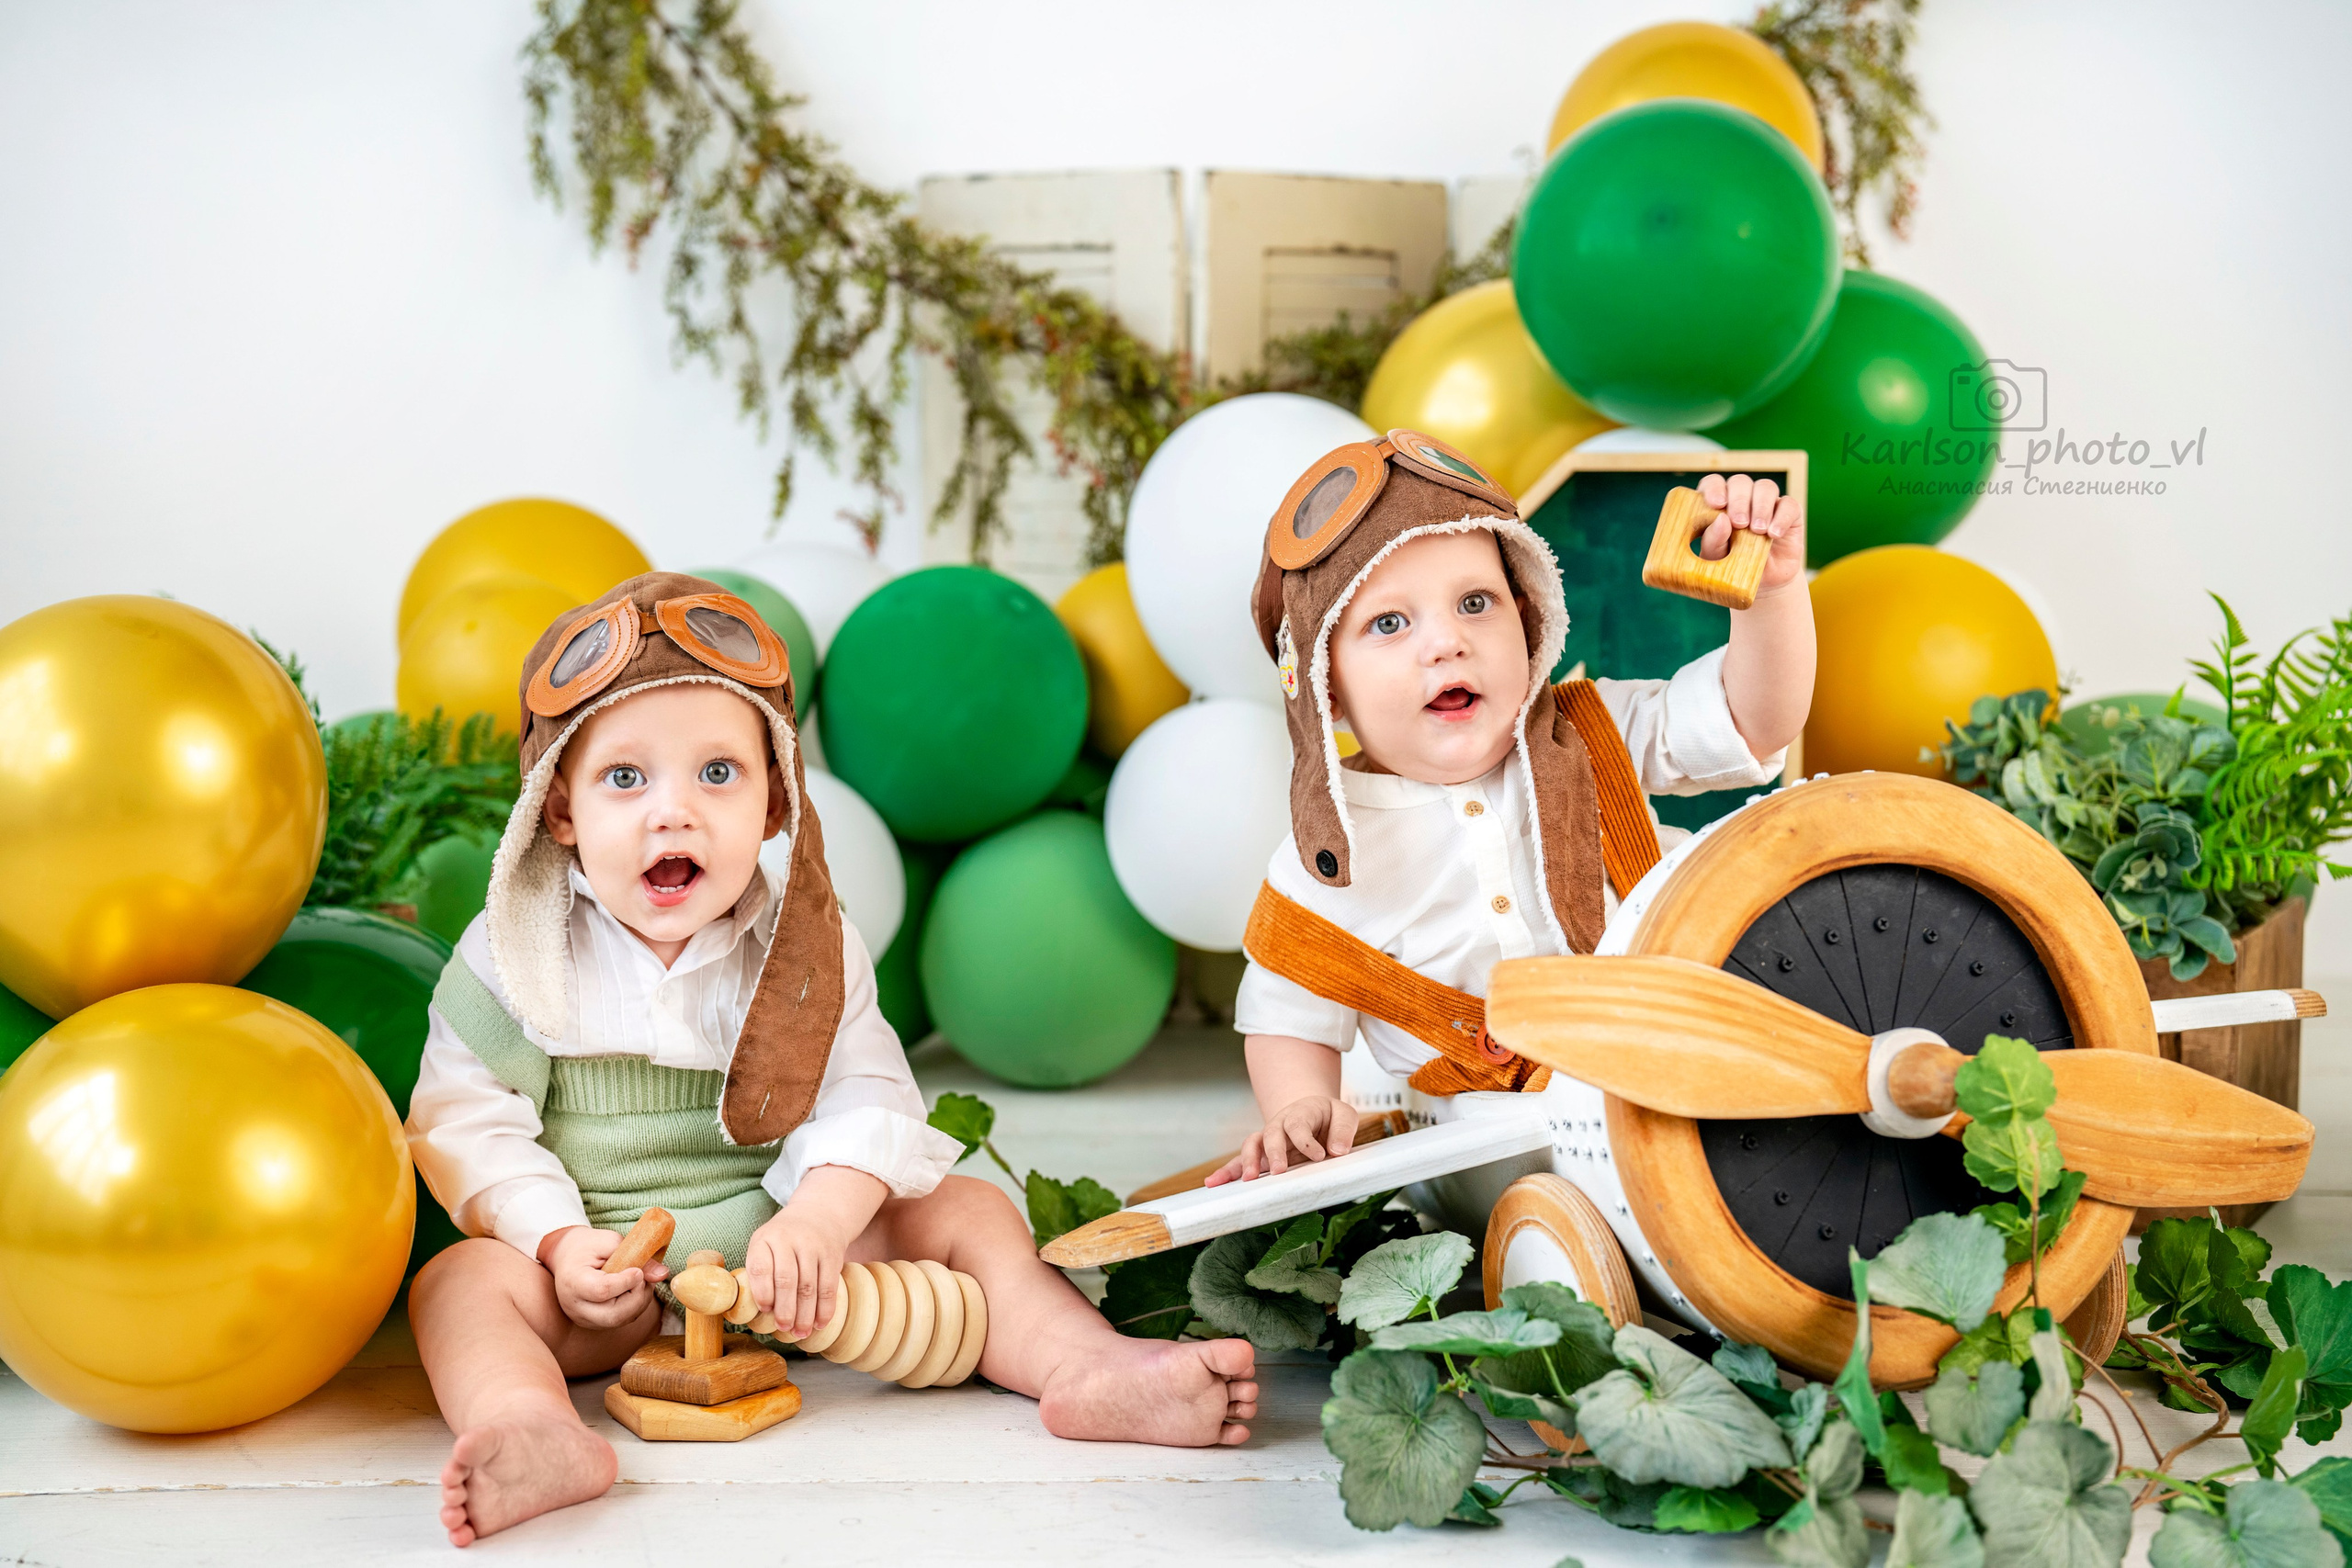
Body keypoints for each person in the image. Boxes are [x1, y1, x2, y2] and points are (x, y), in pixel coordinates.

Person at [406, 573, 1258, 1548]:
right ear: (559, 810)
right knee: (461, 1284)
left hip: (790, 1259)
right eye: (625, 778)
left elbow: (864, 1090)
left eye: (717, 774)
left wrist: (819, 1217)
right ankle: (529, 1423)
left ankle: (1084, 1366)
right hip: (608, 1289)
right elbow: (465, 1119)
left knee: (968, 1210)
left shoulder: (803, 943)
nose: (673, 814)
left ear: (776, 799)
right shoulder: (518, 951)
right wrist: (556, 1242)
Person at [1210, 437, 1813, 1184]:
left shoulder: (1595, 732)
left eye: (1475, 603)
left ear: (1528, 625)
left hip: (1676, 1056)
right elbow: (1287, 1018)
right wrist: (1300, 1106)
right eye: (1390, 624)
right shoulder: (1329, 858)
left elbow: (1754, 720)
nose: (1448, 643)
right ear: (1325, 688)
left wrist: (1774, 594)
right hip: (1492, 1139)